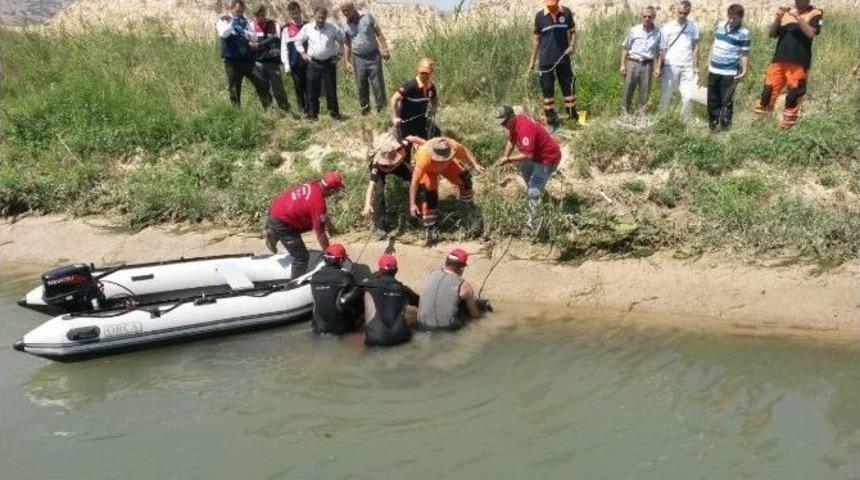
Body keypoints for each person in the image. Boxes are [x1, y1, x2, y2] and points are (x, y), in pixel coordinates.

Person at [753, 1, 824, 128]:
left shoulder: (816, 13)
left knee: (793, 95)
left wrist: (797, 16)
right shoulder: (786, 13)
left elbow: (811, 33)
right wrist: (777, 18)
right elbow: (772, 34)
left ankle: (786, 128)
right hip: (778, 60)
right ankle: (761, 126)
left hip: (799, 62)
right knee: (767, 92)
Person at [265, 171, 345, 278]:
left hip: (276, 209)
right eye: (337, 190)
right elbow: (320, 233)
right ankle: (294, 285)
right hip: (281, 222)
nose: (337, 192)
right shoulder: (318, 204)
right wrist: (329, 253)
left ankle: (273, 232)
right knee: (301, 257)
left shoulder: (313, 184)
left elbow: (321, 215)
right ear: (332, 190)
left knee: (311, 223)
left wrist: (329, 226)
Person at [495, 105, 562, 232]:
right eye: (501, 123)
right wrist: (505, 156)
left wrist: (509, 160)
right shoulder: (514, 124)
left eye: (504, 122)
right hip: (535, 157)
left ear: (511, 117)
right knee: (526, 171)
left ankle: (533, 225)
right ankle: (538, 197)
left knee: (532, 191)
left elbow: (527, 155)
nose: (503, 126)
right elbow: (511, 140)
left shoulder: (525, 127)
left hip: (547, 159)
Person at [409, 137, 485, 246]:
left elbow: (465, 151)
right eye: (439, 159)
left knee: (465, 179)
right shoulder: (423, 157)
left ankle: (467, 208)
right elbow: (414, 182)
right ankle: (431, 228)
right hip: (429, 171)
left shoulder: (452, 146)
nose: (441, 161)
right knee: (428, 194)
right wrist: (412, 204)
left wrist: (475, 164)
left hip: (448, 166)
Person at [361, 132, 423, 240]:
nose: (388, 164)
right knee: (379, 192)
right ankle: (379, 227)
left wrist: (427, 145)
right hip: (380, 171)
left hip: (399, 166)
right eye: (386, 163)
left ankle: (418, 212)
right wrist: (367, 204)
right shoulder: (377, 165)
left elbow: (411, 138)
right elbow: (371, 185)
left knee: (418, 180)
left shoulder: (401, 146)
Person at [528, 0, 578, 131]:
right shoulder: (539, 16)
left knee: (569, 88)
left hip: (563, 59)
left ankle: (572, 117)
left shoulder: (566, 13)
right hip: (546, 61)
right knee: (547, 90)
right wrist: (532, 61)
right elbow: (536, 40)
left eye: (552, 4)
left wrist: (572, 46)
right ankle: (551, 121)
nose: (550, 7)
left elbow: (573, 32)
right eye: (548, 5)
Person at [215, 0, 272, 108]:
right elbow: (223, 34)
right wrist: (233, 22)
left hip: (247, 60)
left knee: (261, 81)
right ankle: (238, 115)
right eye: (237, 11)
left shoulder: (244, 21)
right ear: (232, 9)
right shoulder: (223, 21)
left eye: (241, 12)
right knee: (235, 90)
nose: (239, 14)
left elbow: (254, 37)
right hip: (232, 61)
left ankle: (269, 109)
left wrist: (243, 32)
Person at [340, 1, 391, 116]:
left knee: (377, 84)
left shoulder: (368, 17)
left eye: (347, 10)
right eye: (343, 11)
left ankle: (382, 111)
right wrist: (347, 61)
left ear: (353, 8)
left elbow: (378, 33)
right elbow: (347, 44)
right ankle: (365, 112)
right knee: (361, 84)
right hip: (358, 58)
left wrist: (385, 48)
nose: (345, 13)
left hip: (373, 55)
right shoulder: (344, 25)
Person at [294, 6, 345, 121]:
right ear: (314, 16)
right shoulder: (307, 28)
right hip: (313, 64)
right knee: (312, 91)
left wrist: (340, 55)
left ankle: (334, 115)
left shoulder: (332, 28)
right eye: (318, 17)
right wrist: (303, 54)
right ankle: (313, 116)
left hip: (329, 64)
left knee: (331, 91)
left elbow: (342, 40)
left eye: (323, 17)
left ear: (326, 17)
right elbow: (297, 41)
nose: (321, 20)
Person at [417, 248, 488, 331]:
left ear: (446, 262)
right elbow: (475, 315)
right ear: (462, 268)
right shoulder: (465, 286)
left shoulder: (431, 275)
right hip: (447, 329)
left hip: (421, 324)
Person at [706, 4, 751, 131]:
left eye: (735, 18)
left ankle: (725, 128)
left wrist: (744, 70)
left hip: (730, 71)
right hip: (714, 69)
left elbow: (745, 53)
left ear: (741, 18)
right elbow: (715, 44)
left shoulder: (744, 33)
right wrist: (708, 61)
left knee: (726, 101)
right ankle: (712, 125)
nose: (731, 21)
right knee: (712, 99)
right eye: (730, 17)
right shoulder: (720, 26)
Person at [363, 254, 420, 347]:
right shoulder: (404, 289)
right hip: (400, 338)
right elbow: (419, 302)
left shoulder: (368, 285)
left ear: (379, 269)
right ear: (396, 270)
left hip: (375, 339)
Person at [656, 0, 700, 120]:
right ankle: (661, 118)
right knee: (667, 93)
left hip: (688, 65)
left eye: (685, 13)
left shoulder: (693, 26)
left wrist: (695, 65)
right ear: (676, 10)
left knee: (688, 95)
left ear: (689, 12)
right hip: (671, 65)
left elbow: (695, 47)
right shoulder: (668, 27)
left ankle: (685, 120)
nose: (682, 15)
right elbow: (663, 48)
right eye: (680, 12)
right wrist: (659, 66)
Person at [310, 244, 363, 335]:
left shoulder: (314, 277)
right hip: (340, 328)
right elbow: (356, 299)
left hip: (318, 328)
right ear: (341, 260)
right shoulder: (345, 277)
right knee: (358, 292)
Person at [620, 6, 661, 115]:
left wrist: (658, 67)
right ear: (641, 17)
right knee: (628, 89)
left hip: (647, 65)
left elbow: (659, 52)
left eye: (649, 16)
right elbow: (625, 47)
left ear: (654, 17)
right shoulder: (634, 30)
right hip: (633, 63)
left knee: (645, 91)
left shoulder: (658, 33)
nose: (647, 18)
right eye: (644, 16)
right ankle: (625, 113)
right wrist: (622, 65)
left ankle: (642, 115)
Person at [389, 58, 440, 140]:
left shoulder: (431, 88)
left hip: (421, 121)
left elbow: (434, 99)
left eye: (426, 73)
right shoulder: (411, 86)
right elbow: (394, 99)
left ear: (431, 73)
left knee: (436, 134)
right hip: (406, 123)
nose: (424, 75)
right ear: (418, 70)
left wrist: (434, 108)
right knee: (406, 147)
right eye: (422, 73)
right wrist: (395, 117)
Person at [251, 5, 289, 113]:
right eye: (258, 15)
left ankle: (285, 110)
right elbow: (247, 42)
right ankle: (269, 110)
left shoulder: (274, 24)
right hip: (258, 63)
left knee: (279, 88)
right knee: (262, 88)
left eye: (262, 14)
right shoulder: (251, 26)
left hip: (273, 63)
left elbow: (281, 38)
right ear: (254, 16)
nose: (261, 17)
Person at [281, 1, 309, 115]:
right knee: (299, 88)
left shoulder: (308, 26)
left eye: (297, 13)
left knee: (310, 87)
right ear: (289, 14)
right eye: (293, 14)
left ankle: (311, 110)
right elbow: (284, 48)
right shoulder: (286, 29)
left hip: (308, 63)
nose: (295, 16)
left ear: (300, 11)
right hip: (295, 64)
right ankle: (302, 111)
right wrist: (286, 65)